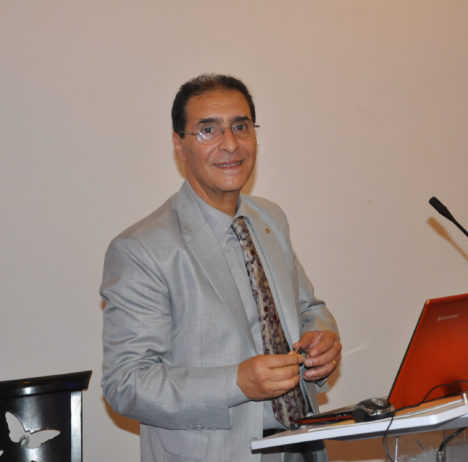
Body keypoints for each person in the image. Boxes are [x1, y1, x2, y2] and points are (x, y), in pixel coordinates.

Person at [100, 73, 341, 462]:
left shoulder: (270, 219)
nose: (230, 144)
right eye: (208, 130)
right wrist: (236, 383)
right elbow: (126, 384)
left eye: (241, 127)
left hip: (301, 447)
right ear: (179, 144)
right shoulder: (141, 249)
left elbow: (308, 310)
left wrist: (322, 339)